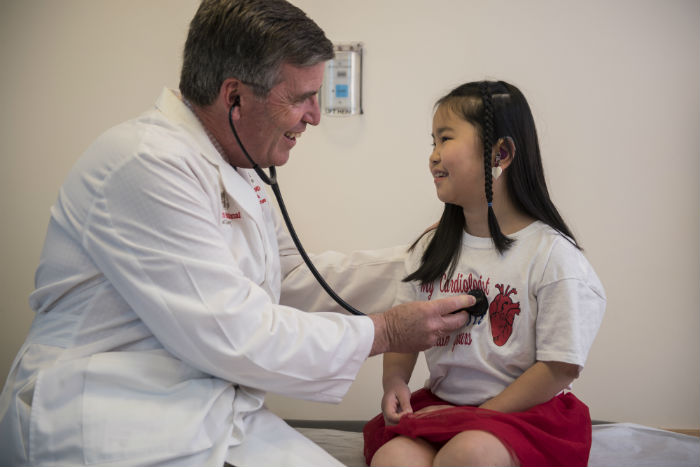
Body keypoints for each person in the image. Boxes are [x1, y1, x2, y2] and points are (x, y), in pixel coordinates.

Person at [0, 1, 475, 466]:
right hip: (113, 417)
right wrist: (387, 330)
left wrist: (419, 260)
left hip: (202, 411)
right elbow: (236, 333)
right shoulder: (146, 163)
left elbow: (287, 278)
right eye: (302, 97)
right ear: (234, 98)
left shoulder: (238, 168)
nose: (315, 116)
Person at [362, 80, 606, 467]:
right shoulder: (428, 250)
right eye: (432, 143)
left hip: (525, 415)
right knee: (394, 458)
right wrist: (395, 381)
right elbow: (403, 333)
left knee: (470, 453)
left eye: (445, 139)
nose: (433, 156)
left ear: (501, 153)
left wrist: (478, 417)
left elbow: (560, 366)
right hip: (446, 407)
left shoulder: (553, 256)